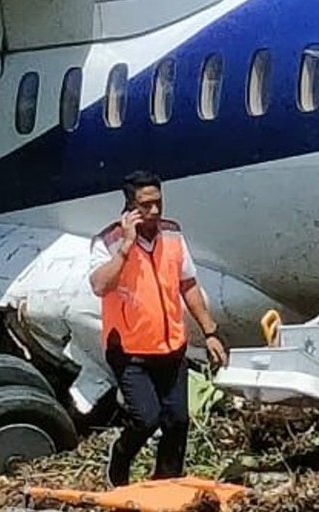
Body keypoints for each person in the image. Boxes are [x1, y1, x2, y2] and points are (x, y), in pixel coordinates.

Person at [89, 170, 228, 487]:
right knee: (146, 418)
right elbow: (99, 285)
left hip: (171, 347)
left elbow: (188, 284)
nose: (153, 211)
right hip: (129, 350)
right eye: (145, 205)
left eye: (158, 203)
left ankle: (168, 482)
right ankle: (120, 459)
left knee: (178, 420)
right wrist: (125, 246)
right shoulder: (108, 242)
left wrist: (209, 331)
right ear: (130, 207)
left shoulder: (172, 236)